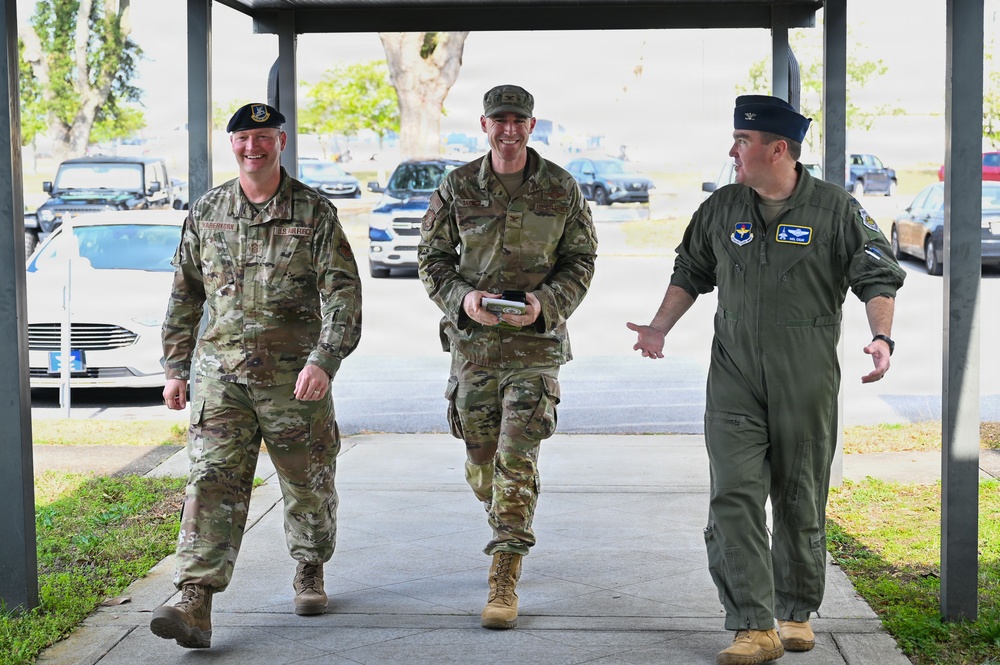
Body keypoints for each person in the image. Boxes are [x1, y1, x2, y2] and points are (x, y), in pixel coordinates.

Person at [627, 95, 906, 665]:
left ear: (777, 149)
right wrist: (659, 327)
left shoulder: (835, 209)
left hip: (804, 376)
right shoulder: (722, 208)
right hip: (734, 376)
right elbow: (691, 271)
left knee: (801, 495)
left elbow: (877, 274)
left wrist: (882, 338)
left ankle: (795, 611)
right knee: (733, 495)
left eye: (743, 142)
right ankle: (751, 625)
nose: (733, 151)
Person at [150, 102, 362, 649]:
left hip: (295, 381)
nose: (253, 147)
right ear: (233, 145)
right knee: (211, 482)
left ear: (281, 143)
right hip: (221, 378)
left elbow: (343, 297)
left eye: (263, 137)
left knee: (307, 483)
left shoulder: (314, 213)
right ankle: (195, 597)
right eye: (244, 138)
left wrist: (324, 360)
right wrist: (175, 368)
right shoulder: (208, 210)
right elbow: (185, 293)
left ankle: (310, 564)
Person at [418, 84, 598, 630]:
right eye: (500, 119)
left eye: (518, 119)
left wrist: (544, 304)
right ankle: (502, 507)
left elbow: (582, 260)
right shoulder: (456, 187)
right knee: (482, 463)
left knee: (516, 458)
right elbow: (431, 259)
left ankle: (504, 572)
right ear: (484, 124)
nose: (509, 129)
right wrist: (462, 300)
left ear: (532, 125)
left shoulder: (561, 188)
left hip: (535, 348)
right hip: (473, 348)